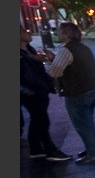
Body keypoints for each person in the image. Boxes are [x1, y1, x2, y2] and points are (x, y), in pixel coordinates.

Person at [43, 22, 95, 164]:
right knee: (87, 123)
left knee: (82, 125)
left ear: (66, 34)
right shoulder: (83, 48)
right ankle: (93, 149)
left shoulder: (66, 50)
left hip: (77, 93)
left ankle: (93, 154)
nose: (57, 33)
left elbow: (54, 72)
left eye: (59, 31)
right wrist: (54, 59)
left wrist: (47, 62)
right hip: (92, 90)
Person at [20, 26, 71, 161]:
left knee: (37, 120)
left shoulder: (28, 50)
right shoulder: (22, 53)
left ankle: (36, 148)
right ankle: (50, 150)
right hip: (30, 92)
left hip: (38, 90)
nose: (29, 32)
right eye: (26, 31)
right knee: (42, 121)